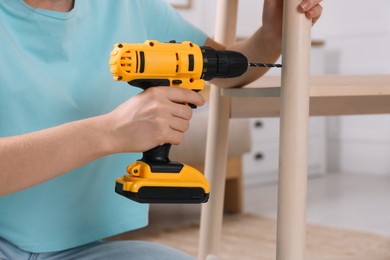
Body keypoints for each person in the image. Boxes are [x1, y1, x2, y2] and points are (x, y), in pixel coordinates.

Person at [0, 0, 322, 259]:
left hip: (80, 250)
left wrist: (271, 36)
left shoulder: (130, 7)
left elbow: (223, 67)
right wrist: (110, 131)